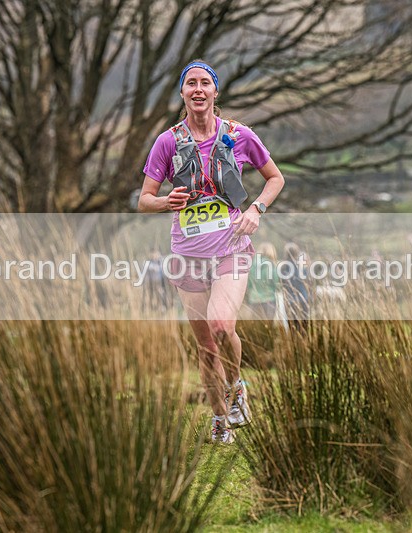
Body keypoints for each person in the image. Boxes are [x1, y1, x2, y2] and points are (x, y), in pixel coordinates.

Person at [138, 60, 285, 443]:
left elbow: (275, 178)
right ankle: (220, 422)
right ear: (183, 93)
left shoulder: (238, 135)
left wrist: (256, 209)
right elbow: (144, 201)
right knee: (204, 347)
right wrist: (167, 200)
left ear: (215, 92)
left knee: (222, 326)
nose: (198, 89)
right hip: (186, 254)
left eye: (205, 83)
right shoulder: (168, 141)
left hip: (231, 249)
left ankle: (237, 388)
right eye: (191, 84)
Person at [246, 242, 280, 321]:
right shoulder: (271, 265)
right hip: (269, 300)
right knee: (268, 329)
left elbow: (249, 285)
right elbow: (276, 284)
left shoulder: (251, 266)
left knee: (256, 329)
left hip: (254, 300)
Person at [282, 242, 311, 333]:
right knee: (304, 327)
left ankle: (294, 345)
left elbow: (281, 284)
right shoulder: (302, 266)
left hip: (290, 301)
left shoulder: (283, 267)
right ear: (297, 252)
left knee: (292, 328)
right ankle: (304, 345)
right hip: (303, 299)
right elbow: (308, 282)